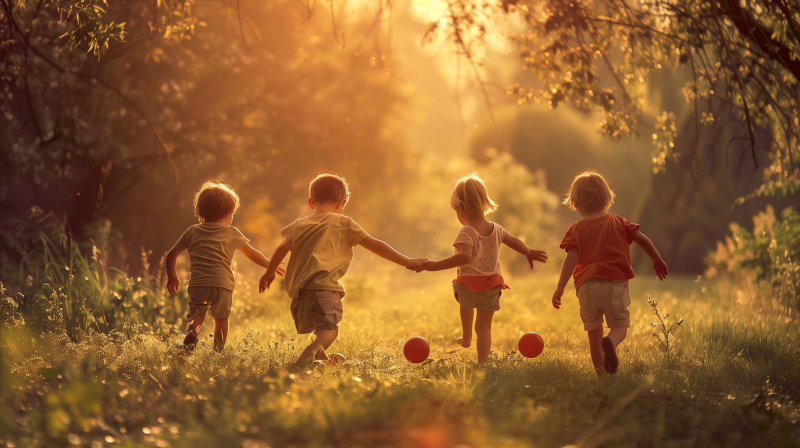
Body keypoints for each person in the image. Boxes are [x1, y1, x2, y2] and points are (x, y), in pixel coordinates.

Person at [259, 174, 425, 363]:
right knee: (329, 332)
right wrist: (406, 261)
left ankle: (323, 360)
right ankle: (302, 363)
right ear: (341, 203)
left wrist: (269, 271)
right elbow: (377, 245)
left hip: (299, 294)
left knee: (320, 329)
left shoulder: (299, 225)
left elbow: (282, 248)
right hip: (322, 287)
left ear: (310, 203)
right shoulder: (344, 223)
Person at [412, 174, 548, 362]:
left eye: (456, 211)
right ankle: (483, 363)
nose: (457, 215)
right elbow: (514, 241)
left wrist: (434, 265)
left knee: (465, 304)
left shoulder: (466, 231)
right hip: (491, 285)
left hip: (468, 284)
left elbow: (465, 256)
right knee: (484, 328)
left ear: (462, 207)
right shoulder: (497, 229)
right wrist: (528, 252)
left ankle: (467, 338)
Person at [552, 171, 668, 375]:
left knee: (593, 338)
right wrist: (657, 260)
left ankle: (603, 379)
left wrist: (560, 286)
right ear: (607, 198)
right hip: (614, 283)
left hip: (586, 287)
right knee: (620, 326)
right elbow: (642, 239)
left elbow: (571, 257)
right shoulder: (618, 222)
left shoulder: (576, 229)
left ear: (576, 203)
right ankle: (612, 342)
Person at [166, 180, 282, 352]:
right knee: (221, 320)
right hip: (222, 285)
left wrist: (173, 277)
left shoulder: (192, 231)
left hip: (198, 284)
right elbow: (251, 253)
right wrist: (269, 264)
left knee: (197, 316)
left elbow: (172, 254)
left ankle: (192, 334)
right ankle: (217, 353)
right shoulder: (232, 233)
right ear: (228, 214)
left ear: (199, 211)